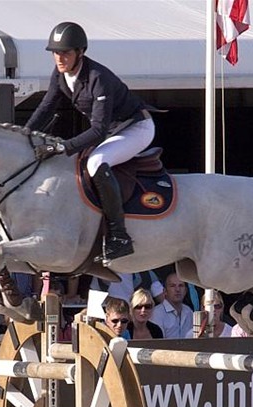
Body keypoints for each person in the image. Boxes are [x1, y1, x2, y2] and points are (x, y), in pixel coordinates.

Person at [25, 22, 155, 265]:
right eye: (56, 52)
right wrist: (24, 134)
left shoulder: (98, 78)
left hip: (136, 128)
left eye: (66, 53)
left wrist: (61, 147)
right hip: (113, 131)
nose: (60, 58)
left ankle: (118, 236)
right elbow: (46, 106)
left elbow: (98, 130)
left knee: (96, 161)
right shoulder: (60, 74)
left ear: (80, 52)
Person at [151, 273, 193, 339]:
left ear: (185, 291)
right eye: (172, 286)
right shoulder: (156, 313)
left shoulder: (189, 311)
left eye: (181, 286)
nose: (177, 289)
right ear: (165, 291)